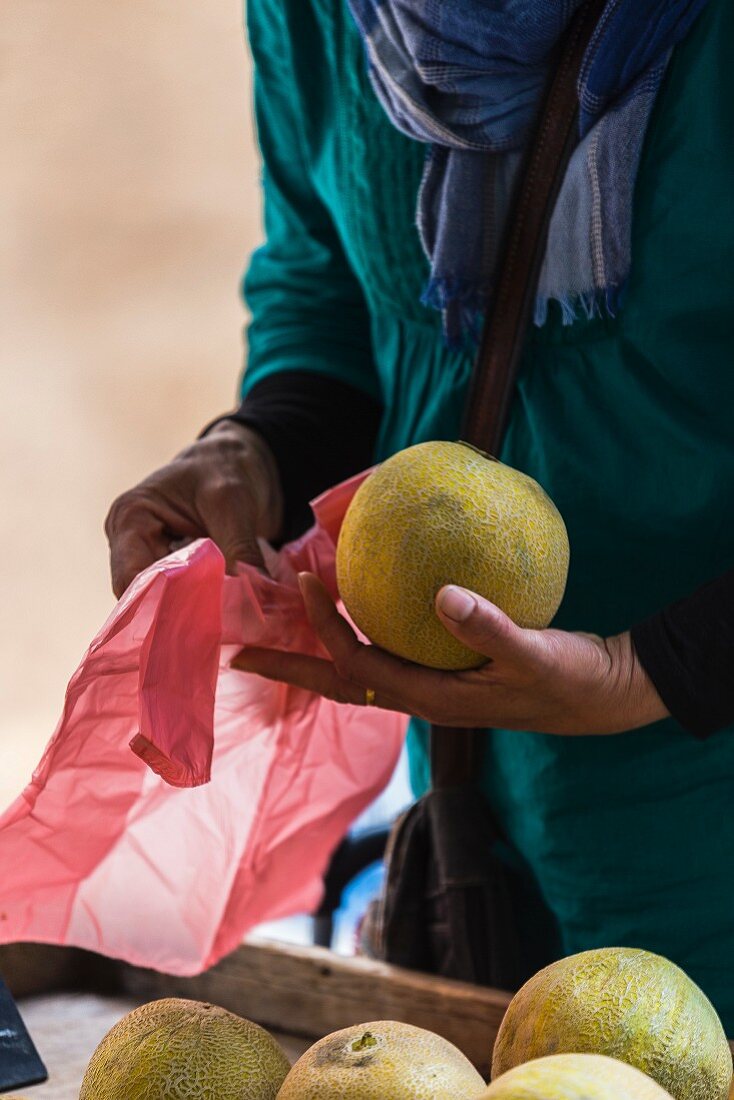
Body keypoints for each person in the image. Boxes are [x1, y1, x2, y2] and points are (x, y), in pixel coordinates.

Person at [105, 0, 734, 1029]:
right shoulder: (321, 17)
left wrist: (647, 668)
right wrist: (258, 447)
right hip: (488, 840)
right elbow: (326, 288)